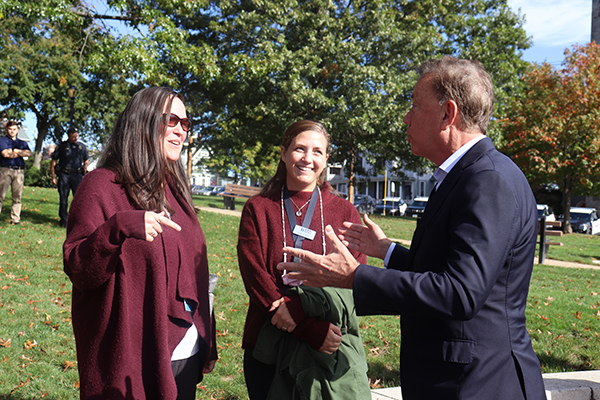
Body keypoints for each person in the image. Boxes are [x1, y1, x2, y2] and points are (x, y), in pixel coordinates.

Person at [278, 57, 547, 400]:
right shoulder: (464, 176)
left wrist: (354, 277)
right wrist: (387, 251)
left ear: (448, 114)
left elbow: (461, 293)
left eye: (414, 106)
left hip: (476, 384)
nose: (406, 117)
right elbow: (447, 271)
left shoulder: (487, 181)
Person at [63, 87, 217, 400]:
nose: (180, 130)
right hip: (131, 356)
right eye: (171, 120)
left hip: (183, 349)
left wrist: (206, 335)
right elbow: (79, 268)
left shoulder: (174, 186)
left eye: (185, 124)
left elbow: (194, 268)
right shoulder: (101, 185)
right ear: (142, 121)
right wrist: (119, 228)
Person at [237, 120, 371, 399]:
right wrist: (301, 323)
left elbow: (355, 275)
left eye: (317, 152)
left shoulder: (345, 212)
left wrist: (309, 319)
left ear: (325, 160)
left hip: (326, 344)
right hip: (268, 342)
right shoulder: (258, 208)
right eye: (300, 149)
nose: (308, 159)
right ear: (284, 153)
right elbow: (254, 273)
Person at [50, 126, 89, 227]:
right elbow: (53, 161)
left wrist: (84, 173)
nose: (76, 139)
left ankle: (77, 219)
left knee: (78, 198)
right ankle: (63, 220)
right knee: (63, 197)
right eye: (73, 137)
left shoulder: (82, 147)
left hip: (77, 175)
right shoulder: (62, 146)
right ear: (68, 136)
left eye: (77, 136)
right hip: (64, 175)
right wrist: (53, 177)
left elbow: (86, 160)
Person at [0, 120, 32, 225]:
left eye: (14, 129)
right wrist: (20, 153)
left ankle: (15, 219)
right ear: (6, 129)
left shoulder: (22, 142)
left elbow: (28, 153)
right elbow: (5, 154)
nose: (12, 131)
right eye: (10, 129)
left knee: (17, 197)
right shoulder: (2, 141)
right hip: (5, 170)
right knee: (1, 195)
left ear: (17, 130)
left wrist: (14, 150)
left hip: (19, 171)